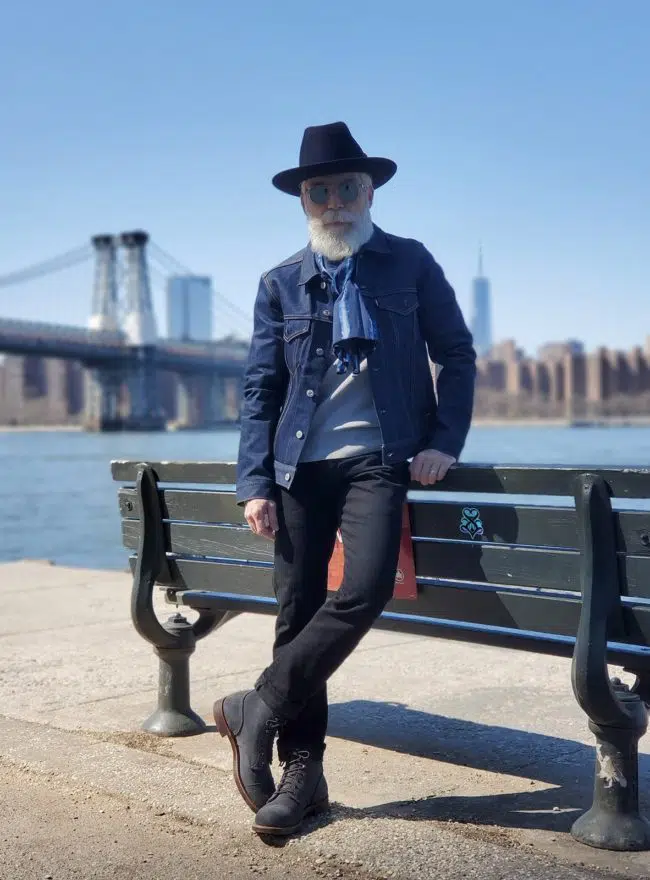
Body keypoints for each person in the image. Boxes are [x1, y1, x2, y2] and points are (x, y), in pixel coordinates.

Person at [214, 121, 476, 836]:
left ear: (369, 193)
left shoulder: (409, 264)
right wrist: (255, 482)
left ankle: (257, 703)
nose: (334, 202)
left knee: (361, 589)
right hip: (299, 466)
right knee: (296, 612)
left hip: (378, 460)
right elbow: (261, 390)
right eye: (318, 191)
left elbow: (456, 353)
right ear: (304, 201)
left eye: (346, 189)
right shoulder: (279, 283)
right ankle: (304, 776)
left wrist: (444, 441)